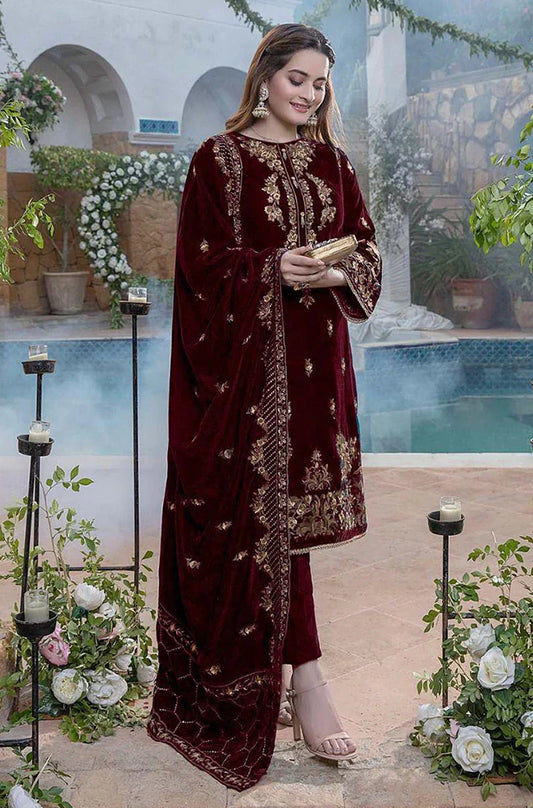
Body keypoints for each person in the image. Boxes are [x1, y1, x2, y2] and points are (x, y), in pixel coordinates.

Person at [147, 22, 382, 792]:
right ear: (264, 77)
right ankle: (304, 683)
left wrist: (334, 273)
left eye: (320, 83)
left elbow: (364, 249)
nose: (309, 94)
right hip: (243, 380)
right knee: (256, 518)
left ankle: (297, 678)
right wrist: (270, 269)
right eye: (297, 79)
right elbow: (199, 269)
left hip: (313, 372)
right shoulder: (217, 160)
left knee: (291, 528)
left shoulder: (332, 162)